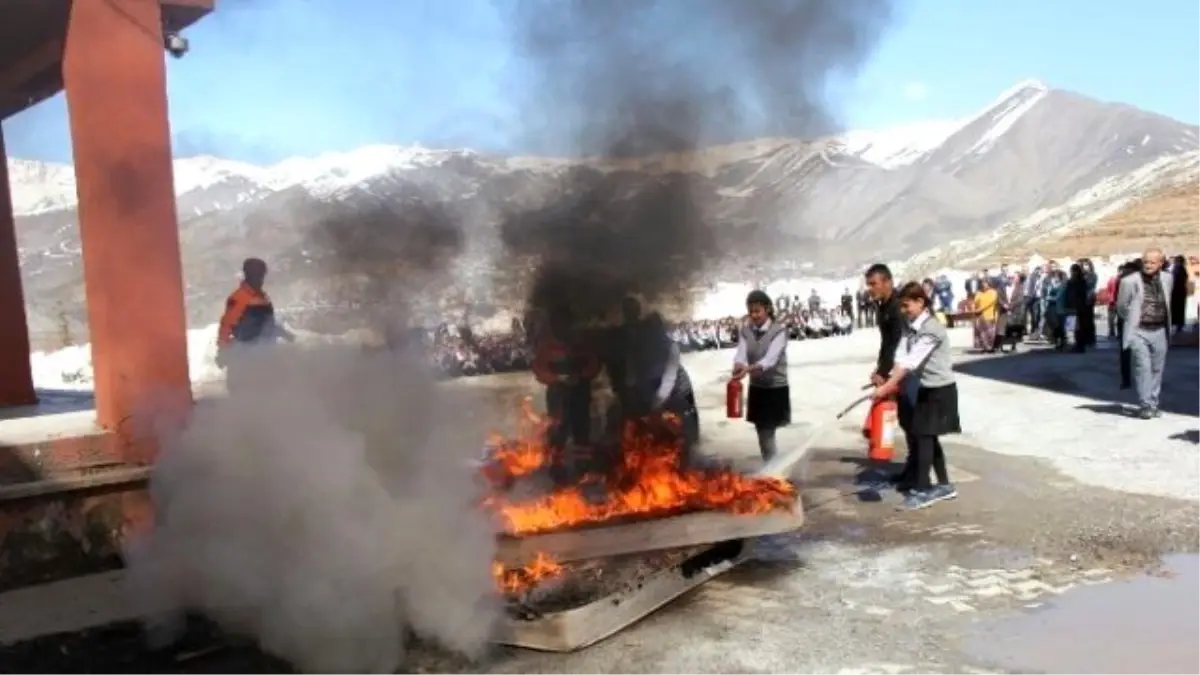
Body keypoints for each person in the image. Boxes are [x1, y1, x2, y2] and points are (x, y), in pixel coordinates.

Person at [871, 281, 960, 510]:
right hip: (926, 389)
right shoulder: (911, 327)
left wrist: (889, 386)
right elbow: (901, 356)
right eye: (901, 307)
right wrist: (887, 377)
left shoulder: (931, 329)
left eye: (907, 306)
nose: (903, 311)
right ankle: (944, 485)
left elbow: (911, 363)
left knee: (924, 435)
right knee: (928, 436)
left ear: (921, 302)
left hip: (940, 391)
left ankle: (923, 489)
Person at [216, 258, 295, 392]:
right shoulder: (239, 297)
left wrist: (285, 334)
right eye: (256, 274)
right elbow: (227, 325)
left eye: (261, 274)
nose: (259, 278)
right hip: (243, 357)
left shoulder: (263, 297)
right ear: (247, 274)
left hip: (264, 356)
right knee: (245, 396)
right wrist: (223, 351)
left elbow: (267, 323)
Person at [731, 290, 790, 462]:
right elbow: (741, 353)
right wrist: (738, 365)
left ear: (768, 309)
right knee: (761, 430)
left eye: (758, 311)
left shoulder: (779, 331)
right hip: (757, 387)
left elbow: (769, 360)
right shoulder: (745, 331)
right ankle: (771, 464)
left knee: (767, 430)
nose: (754, 315)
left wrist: (747, 369)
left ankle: (773, 469)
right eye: (751, 311)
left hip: (775, 386)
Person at [532, 305, 600, 453]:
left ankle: (583, 463)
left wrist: (581, 374)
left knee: (581, 428)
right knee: (558, 427)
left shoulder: (582, 343)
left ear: (570, 323)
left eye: (564, 322)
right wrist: (559, 378)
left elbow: (594, 364)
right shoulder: (546, 346)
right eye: (556, 322)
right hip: (557, 393)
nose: (560, 326)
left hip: (580, 391)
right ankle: (557, 461)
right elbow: (539, 370)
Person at [1116, 248, 1174, 419]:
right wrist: (1133, 319)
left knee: (1157, 368)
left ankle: (1153, 402)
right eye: (1145, 262)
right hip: (1139, 331)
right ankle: (1145, 404)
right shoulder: (1129, 281)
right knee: (1142, 367)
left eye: (1152, 262)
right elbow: (1121, 307)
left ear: (1161, 264)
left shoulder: (1168, 278)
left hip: (1160, 330)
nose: (1148, 265)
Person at [971, 279, 999, 352]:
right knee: (980, 332)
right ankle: (983, 347)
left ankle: (990, 347)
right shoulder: (979, 292)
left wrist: (979, 309)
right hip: (979, 316)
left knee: (989, 333)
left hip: (988, 315)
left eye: (985, 283)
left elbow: (990, 303)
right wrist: (973, 307)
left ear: (989, 284)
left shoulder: (993, 292)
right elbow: (975, 302)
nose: (983, 285)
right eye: (982, 283)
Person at [1169, 254, 1190, 333]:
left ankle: (1177, 325)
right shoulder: (1180, 269)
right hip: (1179, 292)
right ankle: (1178, 325)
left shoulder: (1176, 269)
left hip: (1176, 292)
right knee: (1179, 309)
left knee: (1176, 309)